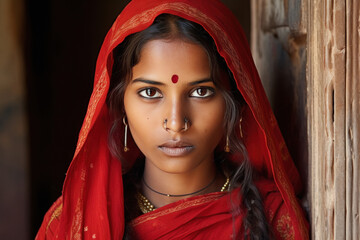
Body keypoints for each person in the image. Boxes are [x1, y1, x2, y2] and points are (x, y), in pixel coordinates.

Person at [36, 0, 309, 239]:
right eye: (150, 92)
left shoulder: (273, 220)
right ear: (120, 106)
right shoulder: (72, 224)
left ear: (234, 104)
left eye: (201, 92)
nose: (176, 123)